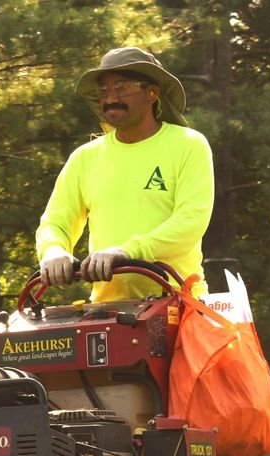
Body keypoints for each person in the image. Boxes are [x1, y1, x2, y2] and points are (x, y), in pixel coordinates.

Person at [35, 47, 215, 300]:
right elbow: (55, 223)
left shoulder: (188, 144)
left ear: (152, 93)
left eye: (121, 87)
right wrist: (53, 251)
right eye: (104, 90)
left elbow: (190, 222)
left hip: (179, 304)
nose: (110, 98)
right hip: (107, 313)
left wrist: (127, 251)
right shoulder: (85, 158)